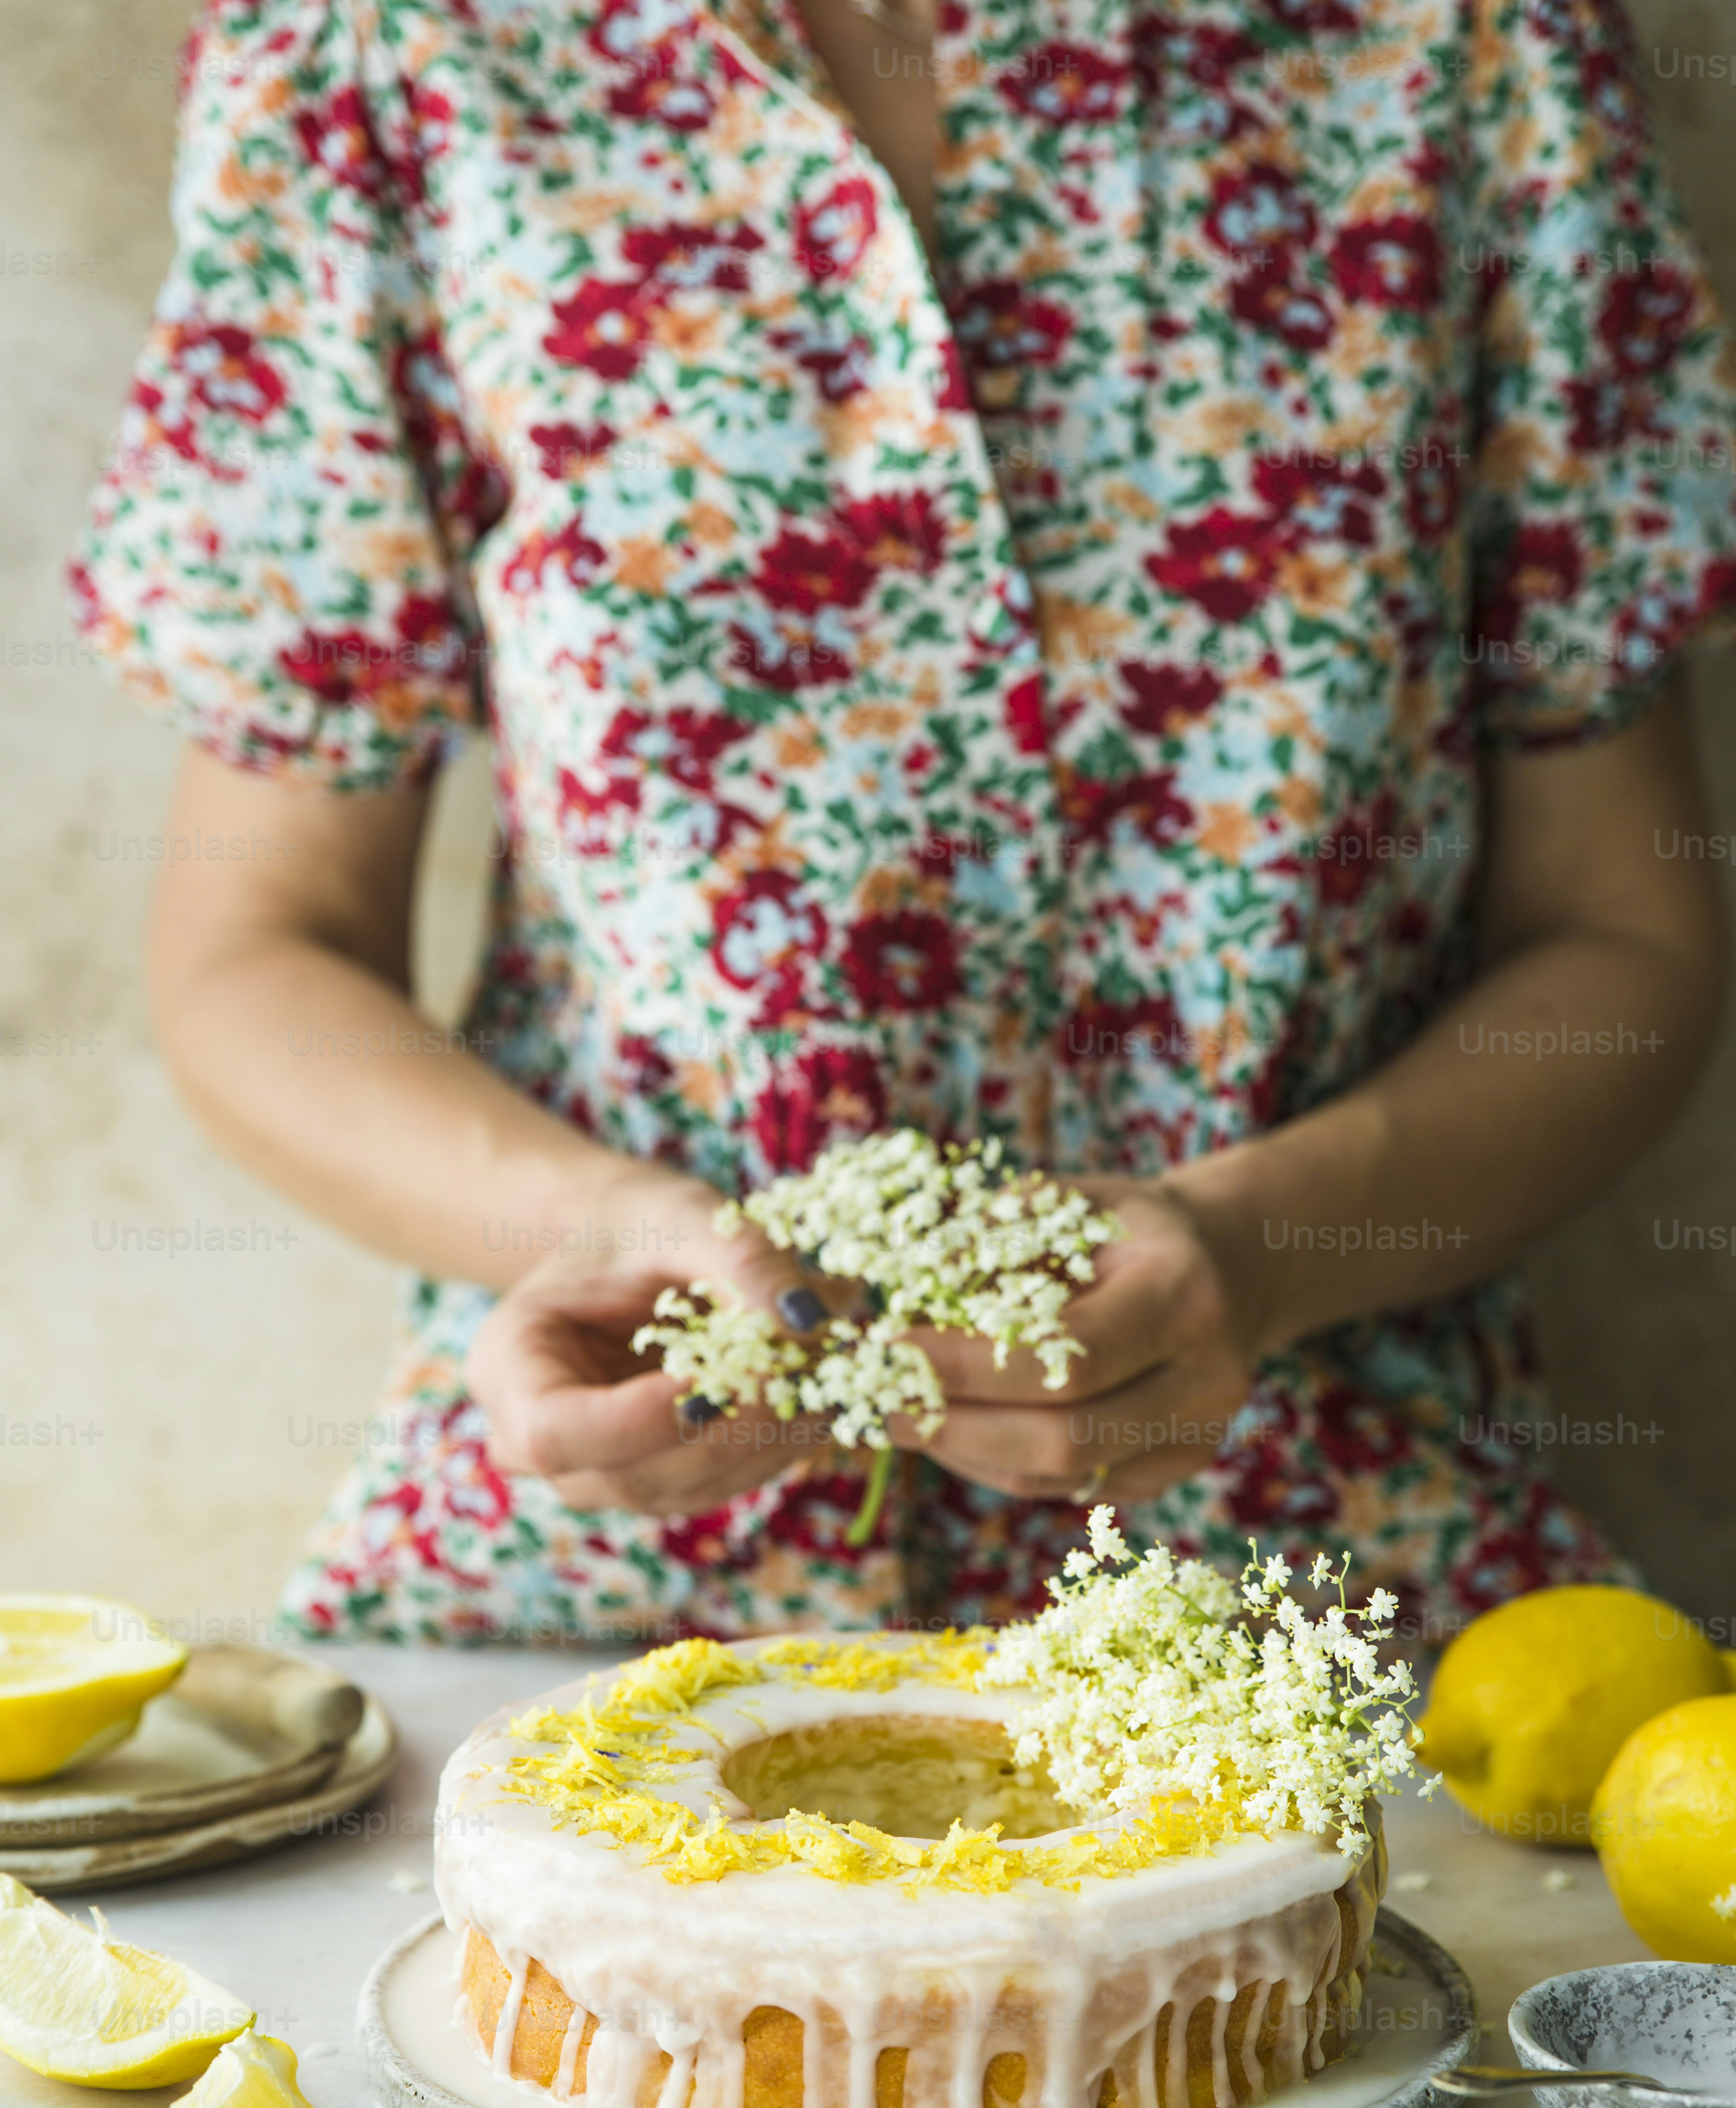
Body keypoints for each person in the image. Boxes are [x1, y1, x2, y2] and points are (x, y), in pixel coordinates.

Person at [71, 0, 1736, 1648]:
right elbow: (258, 943)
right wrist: (579, 1222)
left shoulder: (1468, 43)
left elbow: (1621, 929)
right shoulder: (382, 49)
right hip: (600, 1587)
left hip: (1318, 1591)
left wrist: (1261, 1251)